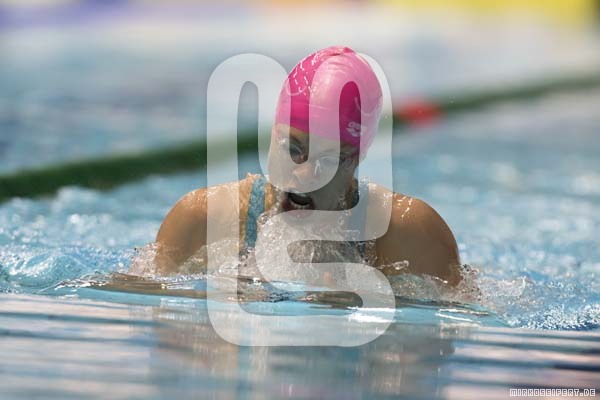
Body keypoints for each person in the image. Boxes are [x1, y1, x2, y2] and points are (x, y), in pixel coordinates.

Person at [147, 46, 461, 286]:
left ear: (355, 160)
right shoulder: (202, 221)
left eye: (328, 159)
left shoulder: (410, 235)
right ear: (272, 138)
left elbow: (454, 327)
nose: (306, 175)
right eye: (293, 149)